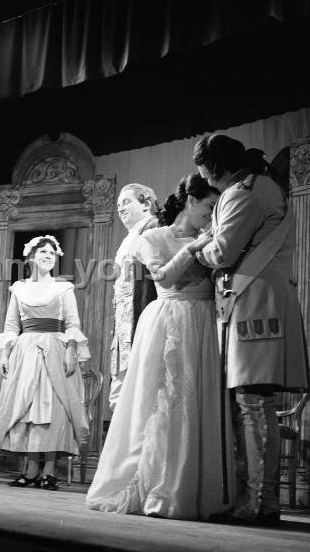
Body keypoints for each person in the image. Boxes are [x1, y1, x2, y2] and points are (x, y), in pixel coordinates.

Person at [86, 173, 227, 520]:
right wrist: (193, 248)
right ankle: (153, 483)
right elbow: (162, 276)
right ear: (191, 202)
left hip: (204, 323)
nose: (212, 216)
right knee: (163, 398)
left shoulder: (211, 240)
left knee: (194, 400)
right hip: (168, 316)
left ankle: (191, 484)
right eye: (209, 207)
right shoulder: (152, 237)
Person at [190, 134, 309, 524]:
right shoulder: (263, 185)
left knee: (253, 403)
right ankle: (265, 501)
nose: (205, 180)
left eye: (205, 171)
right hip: (265, 299)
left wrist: (198, 247)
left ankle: (254, 504)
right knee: (261, 404)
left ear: (216, 167)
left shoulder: (243, 193)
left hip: (254, 301)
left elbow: (222, 252)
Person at [0, 235, 89, 491]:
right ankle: (31, 469)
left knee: (54, 409)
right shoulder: (19, 289)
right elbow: (11, 325)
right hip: (26, 351)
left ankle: (49, 471)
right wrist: (4, 353)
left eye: (52, 253)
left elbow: (72, 323)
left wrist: (70, 351)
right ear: (32, 256)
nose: (47, 256)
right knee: (30, 409)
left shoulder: (63, 288)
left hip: (55, 349)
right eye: (42, 252)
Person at [110, 184, 159, 411]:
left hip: (143, 319)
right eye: (118, 204)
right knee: (120, 398)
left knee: (141, 396)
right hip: (124, 327)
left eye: (127, 202)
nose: (120, 208)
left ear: (147, 204)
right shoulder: (129, 237)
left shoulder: (153, 228)